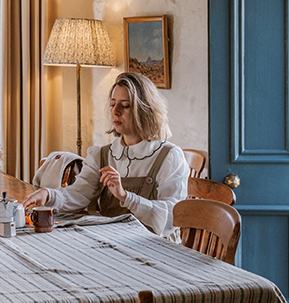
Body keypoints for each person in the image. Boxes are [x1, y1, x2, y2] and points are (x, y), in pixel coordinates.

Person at [22, 72, 189, 239]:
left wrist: (125, 196)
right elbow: (78, 195)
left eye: (125, 105)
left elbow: (172, 216)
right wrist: (48, 194)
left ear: (145, 110)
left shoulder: (169, 157)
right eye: (112, 104)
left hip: (156, 247)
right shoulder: (101, 155)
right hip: (112, 242)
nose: (115, 112)